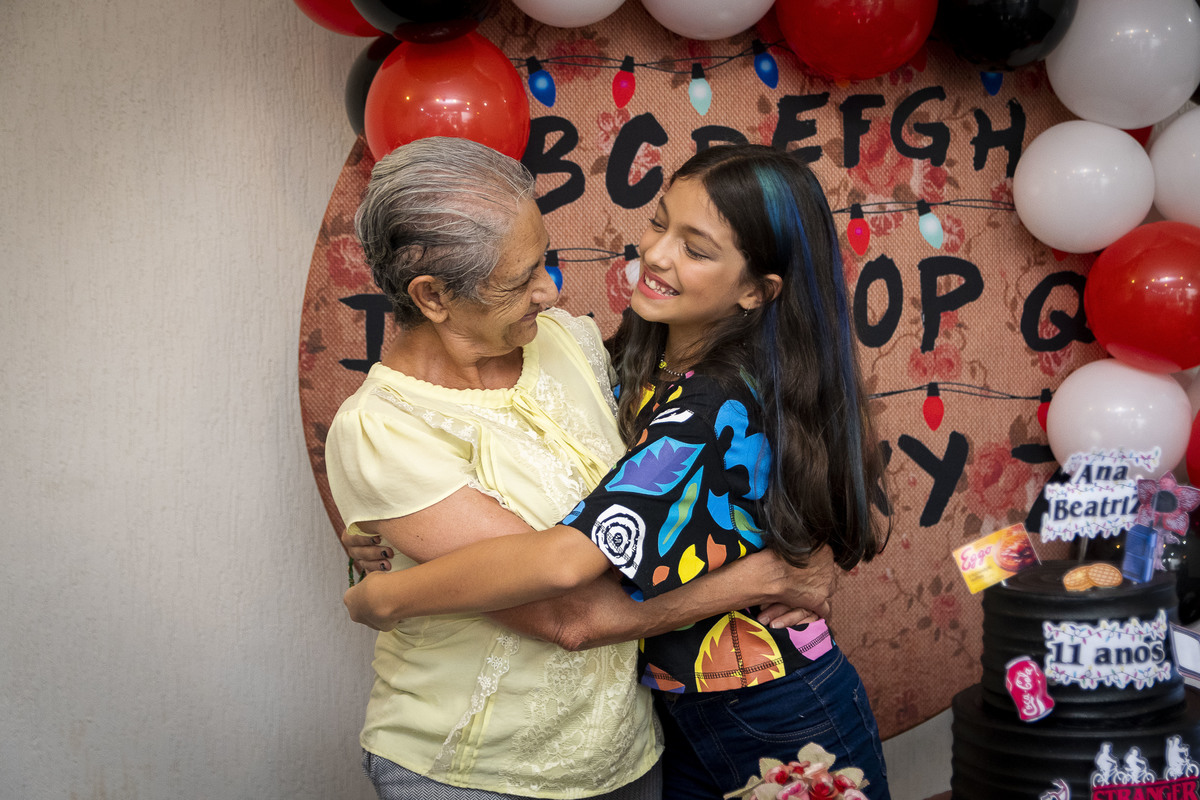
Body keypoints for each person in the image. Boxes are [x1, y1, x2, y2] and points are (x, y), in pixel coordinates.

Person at [344, 143, 892, 799]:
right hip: (649, 718)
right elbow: (571, 588)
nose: (551, 291)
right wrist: (387, 532)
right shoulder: (639, 360)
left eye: (696, 248)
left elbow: (569, 567)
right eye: (659, 223)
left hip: (757, 706)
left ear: (756, 290)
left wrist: (389, 597)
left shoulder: (673, 391)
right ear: (432, 296)